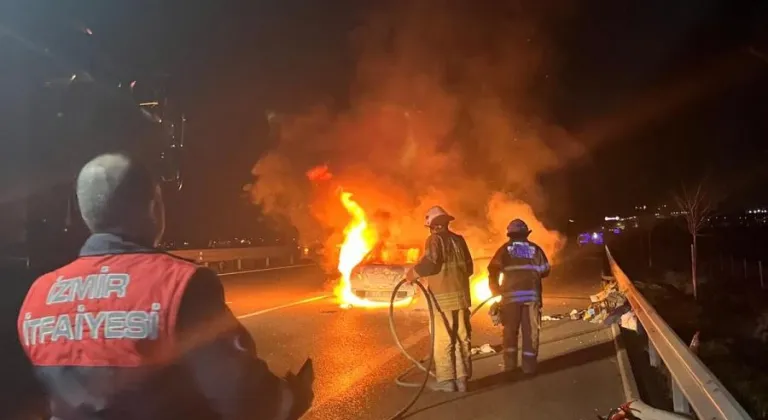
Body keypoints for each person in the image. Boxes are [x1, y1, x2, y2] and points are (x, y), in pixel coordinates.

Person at [16, 153, 312, 420]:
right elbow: (241, 395)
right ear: (154, 206)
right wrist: (291, 399)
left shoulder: (39, 294)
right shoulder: (181, 285)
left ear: (85, 214)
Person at [405, 206, 474, 393]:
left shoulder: (434, 240)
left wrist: (413, 274)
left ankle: (446, 380)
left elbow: (431, 262)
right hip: (461, 297)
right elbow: (469, 268)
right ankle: (462, 379)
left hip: (441, 299)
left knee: (443, 339)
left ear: (432, 226)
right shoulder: (459, 240)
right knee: (462, 337)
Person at [487, 219, 550, 375]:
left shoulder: (504, 250)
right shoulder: (535, 249)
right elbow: (545, 270)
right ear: (525, 234)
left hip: (510, 299)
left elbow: (492, 269)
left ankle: (510, 367)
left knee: (510, 333)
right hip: (531, 297)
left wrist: (494, 289)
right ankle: (529, 368)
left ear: (510, 234)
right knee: (531, 333)